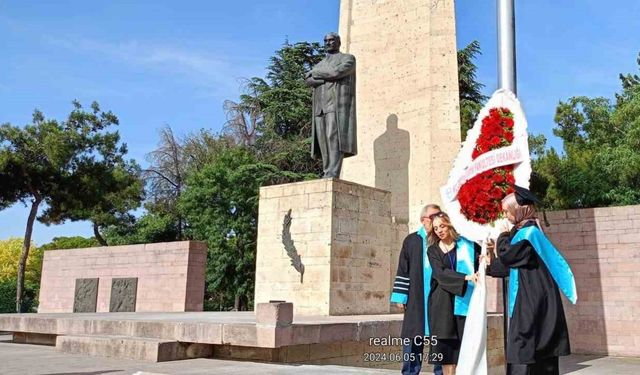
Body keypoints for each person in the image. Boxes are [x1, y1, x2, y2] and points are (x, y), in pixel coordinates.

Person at [488, 186, 577, 375]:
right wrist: (487, 264)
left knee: (526, 352)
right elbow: (510, 266)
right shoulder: (525, 231)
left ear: (518, 210)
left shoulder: (529, 234)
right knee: (534, 356)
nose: (506, 217)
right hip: (533, 300)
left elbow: (509, 255)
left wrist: (502, 235)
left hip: (533, 304)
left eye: (507, 212)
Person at [390, 204, 444, 375]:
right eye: (434, 215)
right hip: (416, 297)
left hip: (439, 298)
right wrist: (400, 296)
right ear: (424, 220)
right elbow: (403, 269)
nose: (438, 218)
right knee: (413, 338)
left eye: (440, 215)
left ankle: (440, 372)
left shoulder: (444, 240)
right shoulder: (411, 240)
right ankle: (410, 372)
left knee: (440, 339)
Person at [426, 212, 481, 375]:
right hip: (442, 304)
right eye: (435, 228)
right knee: (446, 352)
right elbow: (440, 273)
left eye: (442, 226)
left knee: (463, 348)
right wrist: (465, 277)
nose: (439, 231)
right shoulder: (433, 250)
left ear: (450, 224)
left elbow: (482, 264)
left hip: (463, 302)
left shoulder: (467, 245)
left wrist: (489, 252)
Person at [304, 32, 357, 178]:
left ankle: (334, 171)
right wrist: (322, 76)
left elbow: (335, 72)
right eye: (326, 41)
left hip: (335, 104)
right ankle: (327, 170)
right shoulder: (320, 64)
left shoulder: (348, 59)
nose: (328, 43)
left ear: (338, 42)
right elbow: (308, 81)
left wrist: (316, 74)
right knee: (323, 140)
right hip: (319, 106)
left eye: (331, 40)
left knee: (333, 136)